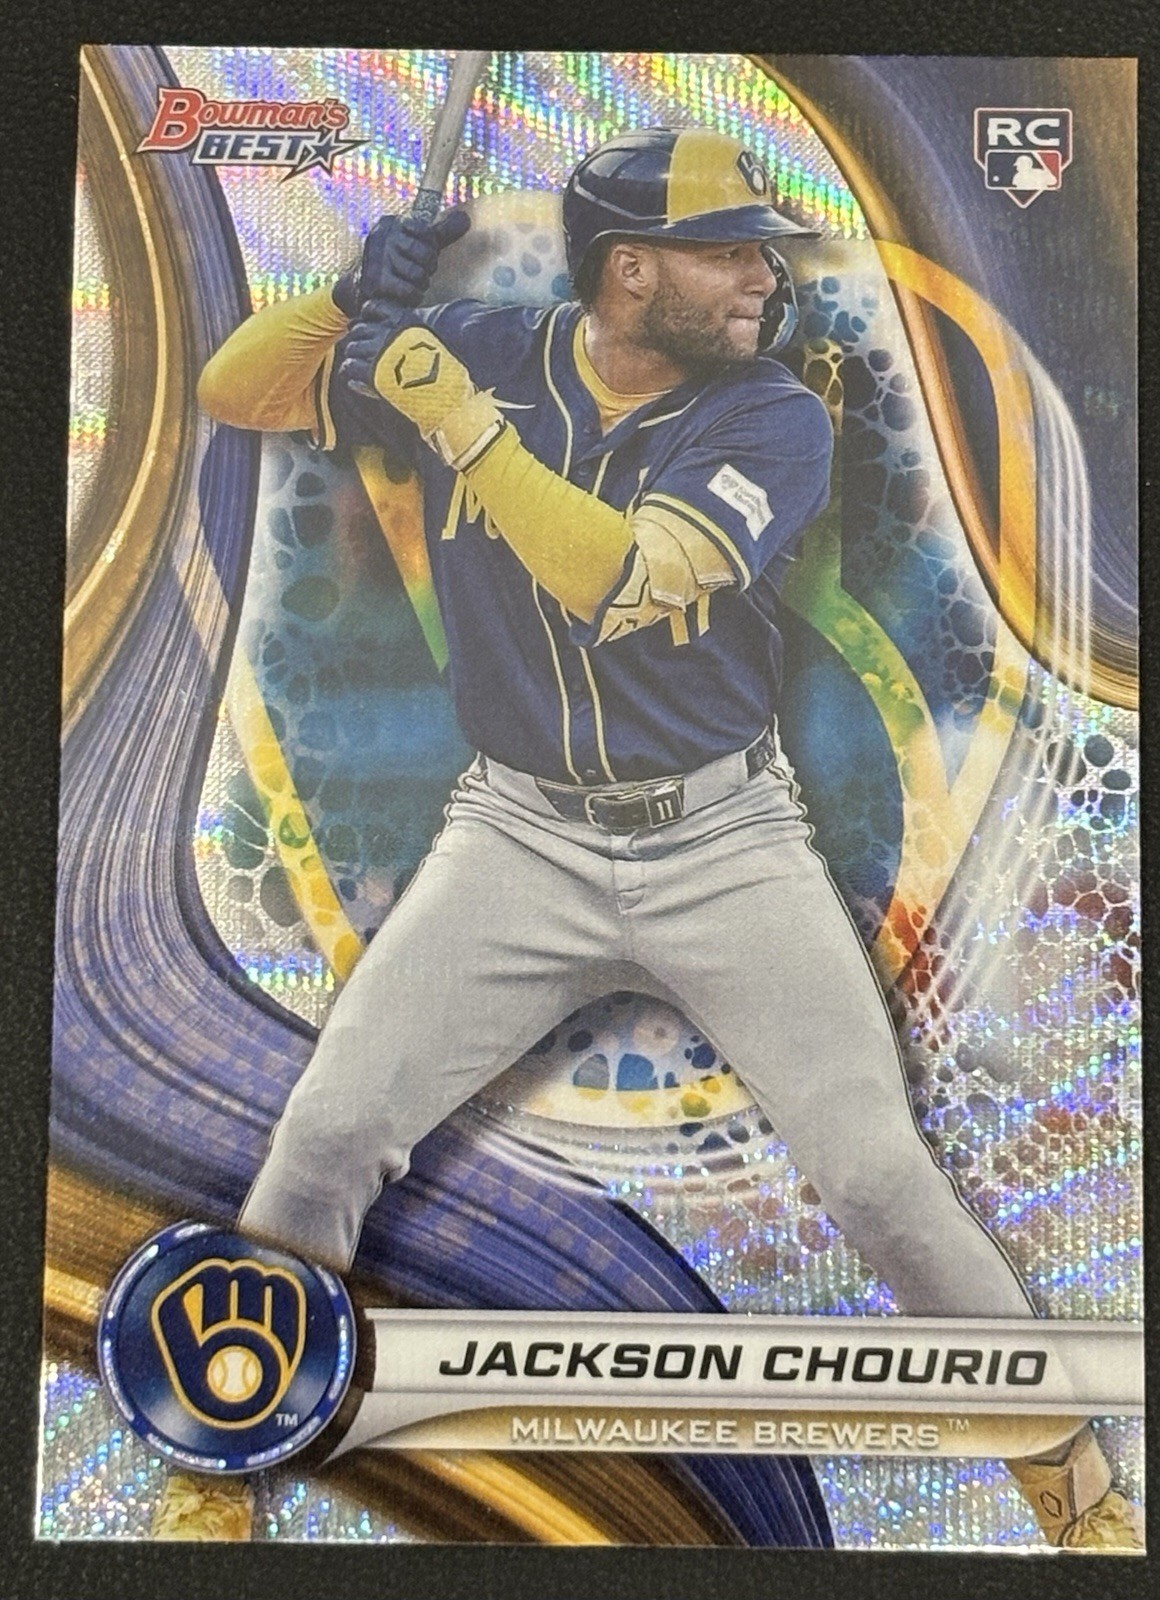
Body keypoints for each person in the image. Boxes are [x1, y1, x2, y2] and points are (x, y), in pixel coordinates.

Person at [195, 128, 1140, 1548]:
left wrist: (460, 426)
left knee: (879, 1178)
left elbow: (623, 585)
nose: (763, 275)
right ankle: (219, 1462)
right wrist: (347, 296)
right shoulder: (491, 351)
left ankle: (1076, 1495)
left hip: (723, 843)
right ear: (631, 271)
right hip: (516, 839)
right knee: (327, 1134)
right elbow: (232, 388)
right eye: (728, 253)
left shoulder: (772, 418)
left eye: (760, 252)